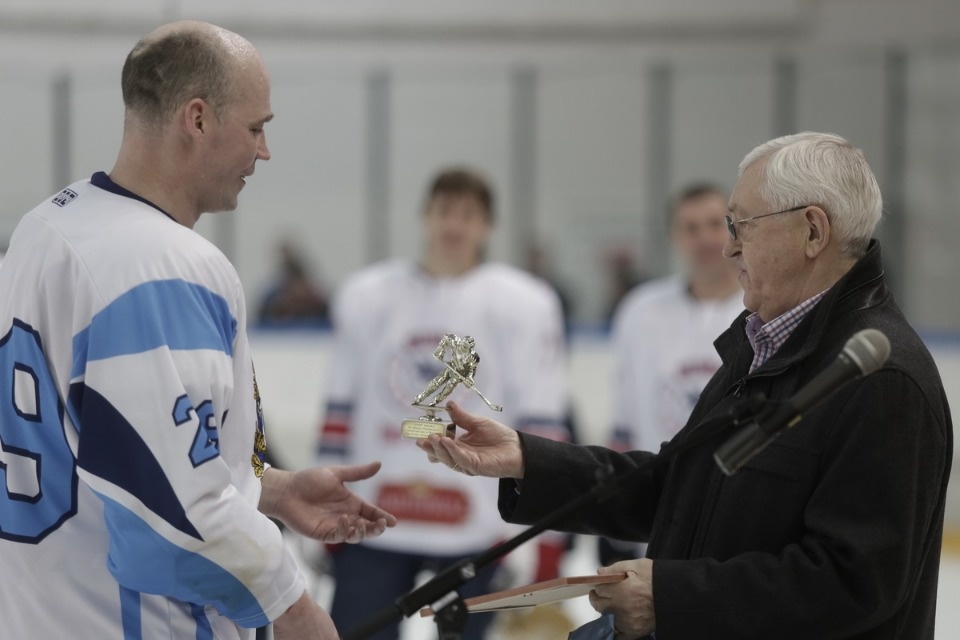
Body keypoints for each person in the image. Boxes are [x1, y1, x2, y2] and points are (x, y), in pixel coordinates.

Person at [417, 132, 953, 639]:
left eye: (740, 226)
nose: (728, 248)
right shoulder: (767, 344)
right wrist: (526, 460)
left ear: (813, 231)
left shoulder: (882, 382)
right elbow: (677, 486)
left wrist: (670, 597)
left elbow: (851, 585)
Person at [0, 21, 396, 640]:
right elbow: (168, 512)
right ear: (198, 119)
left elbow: (115, 447)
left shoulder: (49, 226)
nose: (264, 152)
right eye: (257, 128)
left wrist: (266, 486)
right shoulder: (161, 268)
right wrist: (295, 608)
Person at [315, 167, 572, 639]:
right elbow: (339, 409)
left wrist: (545, 534)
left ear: (487, 226)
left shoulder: (526, 303)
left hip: (482, 525)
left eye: (468, 215)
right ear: (425, 217)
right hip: (374, 514)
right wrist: (324, 503)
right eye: (444, 211)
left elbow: (543, 420)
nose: (454, 225)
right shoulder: (367, 296)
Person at [601, 183, 742, 565]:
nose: (705, 238)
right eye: (690, 228)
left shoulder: (765, 310)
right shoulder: (640, 311)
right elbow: (624, 419)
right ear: (673, 236)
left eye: (715, 224)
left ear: (735, 228)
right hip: (659, 507)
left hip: (738, 512)